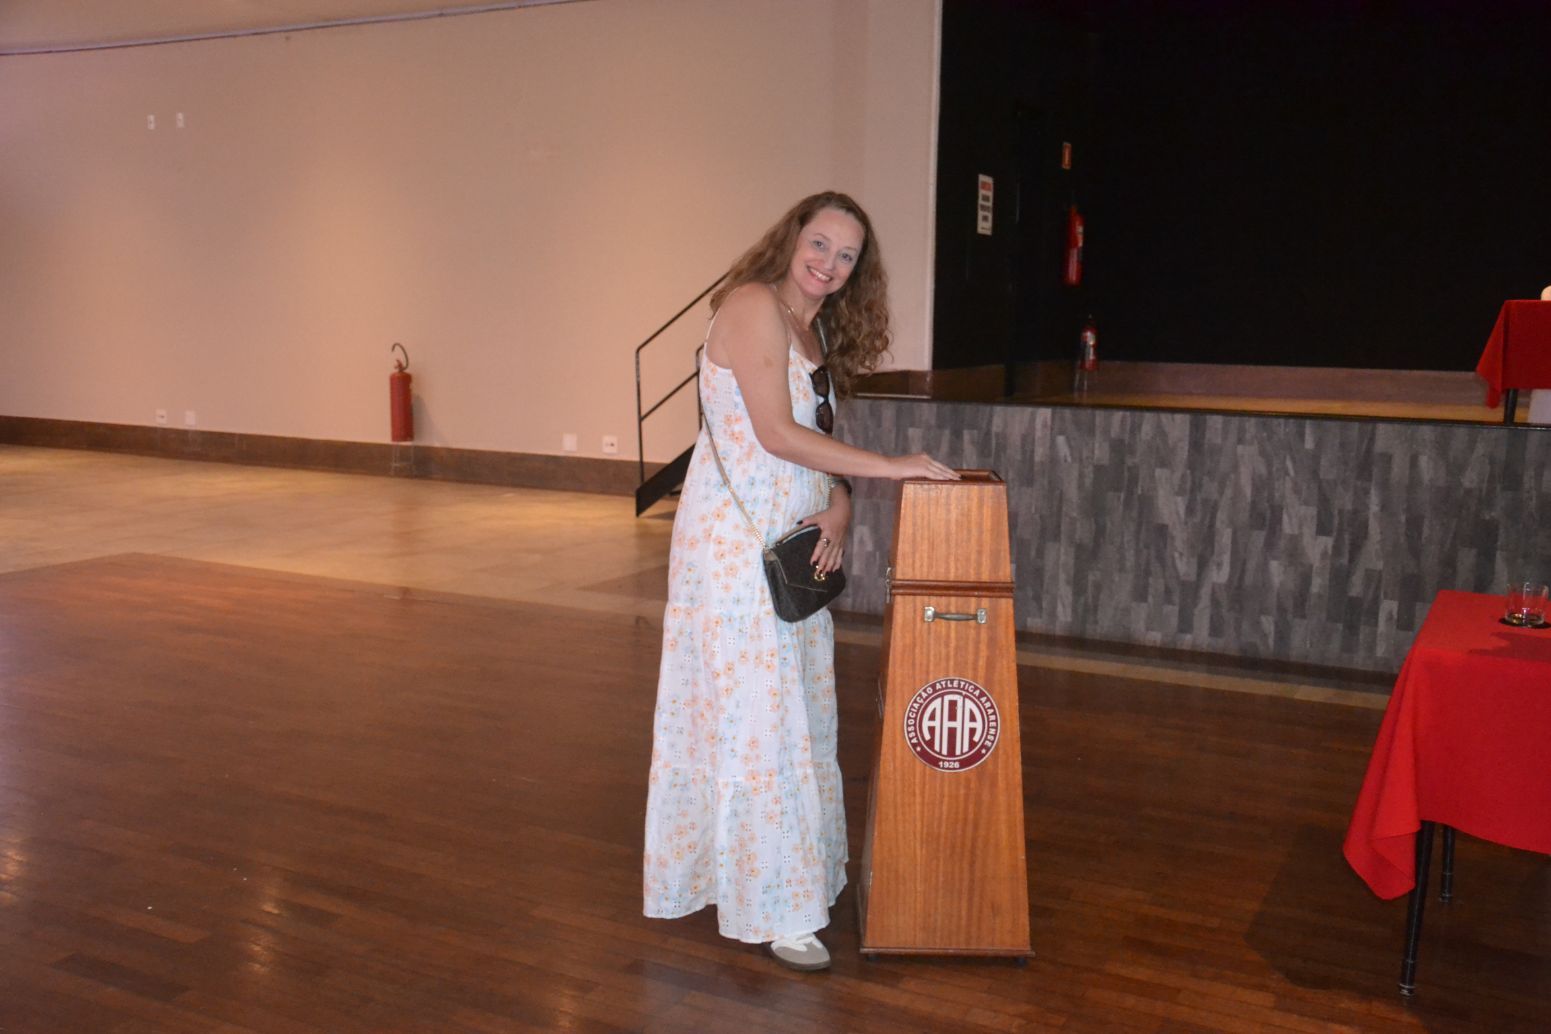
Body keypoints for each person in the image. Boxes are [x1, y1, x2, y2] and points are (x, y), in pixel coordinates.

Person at [642, 191, 958, 972]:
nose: (828, 263)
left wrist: (841, 504)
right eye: (819, 243)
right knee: (760, 720)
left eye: (845, 255)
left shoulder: (809, 330)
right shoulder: (752, 305)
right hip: (734, 548)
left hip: (789, 542)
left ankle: (780, 879)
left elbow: (814, 445)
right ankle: (773, 908)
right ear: (791, 239)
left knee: (793, 717)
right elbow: (776, 434)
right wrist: (890, 468)